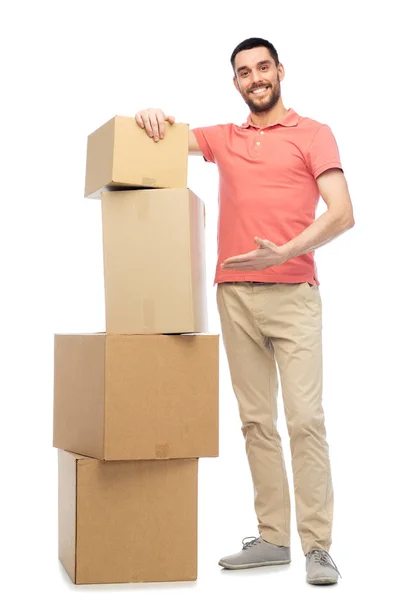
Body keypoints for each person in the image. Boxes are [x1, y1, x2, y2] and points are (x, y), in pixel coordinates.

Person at [135, 37, 354, 586]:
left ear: (280, 71)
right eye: (243, 72)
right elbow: (165, 137)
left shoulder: (313, 133)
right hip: (234, 296)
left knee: (305, 421)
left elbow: (344, 212)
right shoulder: (224, 139)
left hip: (294, 293)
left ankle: (318, 546)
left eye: (263, 68)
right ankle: (274, 538)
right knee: (256, 423)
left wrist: (288, 250)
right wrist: (150, 114)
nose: (255, 78)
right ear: (235, 82)